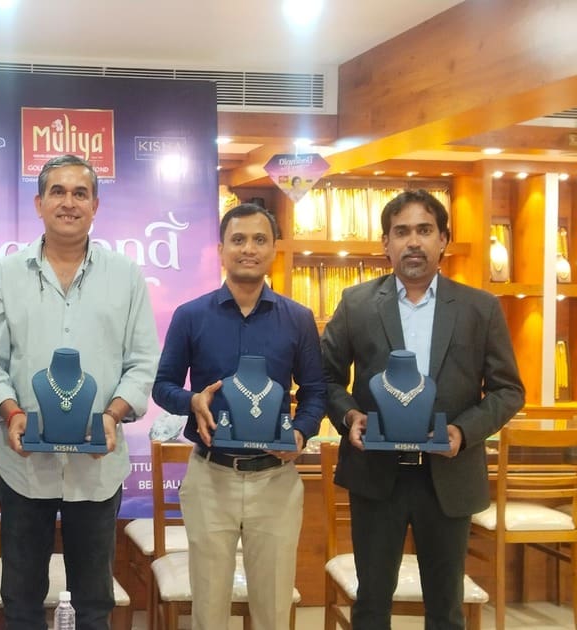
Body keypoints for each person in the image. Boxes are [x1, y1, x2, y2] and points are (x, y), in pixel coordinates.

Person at [320, 189, 524, 629]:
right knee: (371, 605)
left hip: (448, 475)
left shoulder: (480, 308)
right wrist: (349, 416)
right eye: (402, 232)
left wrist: (463, 432)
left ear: (443, 240)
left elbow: (508, 390)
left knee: (446, 608)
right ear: (385, 243)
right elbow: (325, 377)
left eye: (425, 230)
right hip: (376, 474)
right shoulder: (356, 303)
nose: (413, 241)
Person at [0, 154, 160, 628]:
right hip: (23, 465)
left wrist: (112, 415)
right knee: (21, 602)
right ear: (39, 203)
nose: (69, 203)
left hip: (97, 467)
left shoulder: (126, 275)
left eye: (80, 193)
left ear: (96, 205)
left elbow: (142, 362)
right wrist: (11, 412)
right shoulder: (6, 274)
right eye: (57, 191)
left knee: (94, 603)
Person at [152, 202, 327, 630]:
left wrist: (301, 433)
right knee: (209, 608)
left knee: (273, 608)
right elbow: (162, 386)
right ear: (221, 250)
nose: (249, 248)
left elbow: (316, 392)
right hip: (211, 477)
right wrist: (192, 401)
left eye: (259, 239)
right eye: (238, 240)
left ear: (273, 249)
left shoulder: (298, 319)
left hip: (276, 480)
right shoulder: (191, 315)